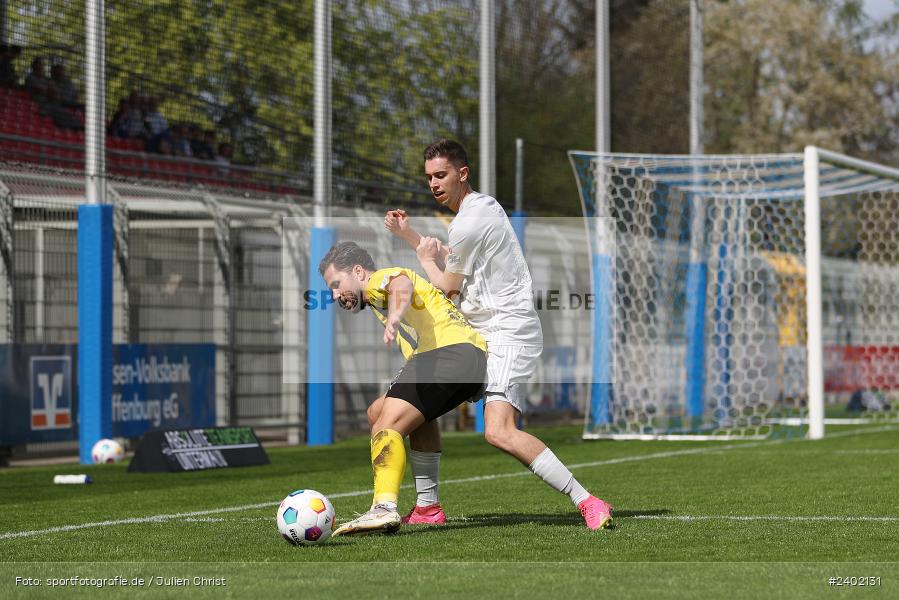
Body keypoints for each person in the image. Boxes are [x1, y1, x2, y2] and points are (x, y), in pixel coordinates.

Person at [381, 139, 613, 530]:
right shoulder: (474, 213)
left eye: (441, 175)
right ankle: (426, 507)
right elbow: (452, 269)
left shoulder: (470, 220)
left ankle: (588, 501)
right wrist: (413, 239)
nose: (434, 184)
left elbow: (447, 287)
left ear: (462, 174)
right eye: (429, 178)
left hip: (506, 330)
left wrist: (422, 255)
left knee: (498, 431)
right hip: (476, 331)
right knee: (418, 404)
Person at [318, 241, 487, 536]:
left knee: (388, 423)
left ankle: (383, 507)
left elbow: (401, 284)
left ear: (358, 272)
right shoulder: (374, 299)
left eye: (336, 284)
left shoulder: (376, 282)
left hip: (446, 354)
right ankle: (427, 508)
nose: (334, 295)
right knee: (379, 412)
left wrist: (395, 315)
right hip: (464, 357)